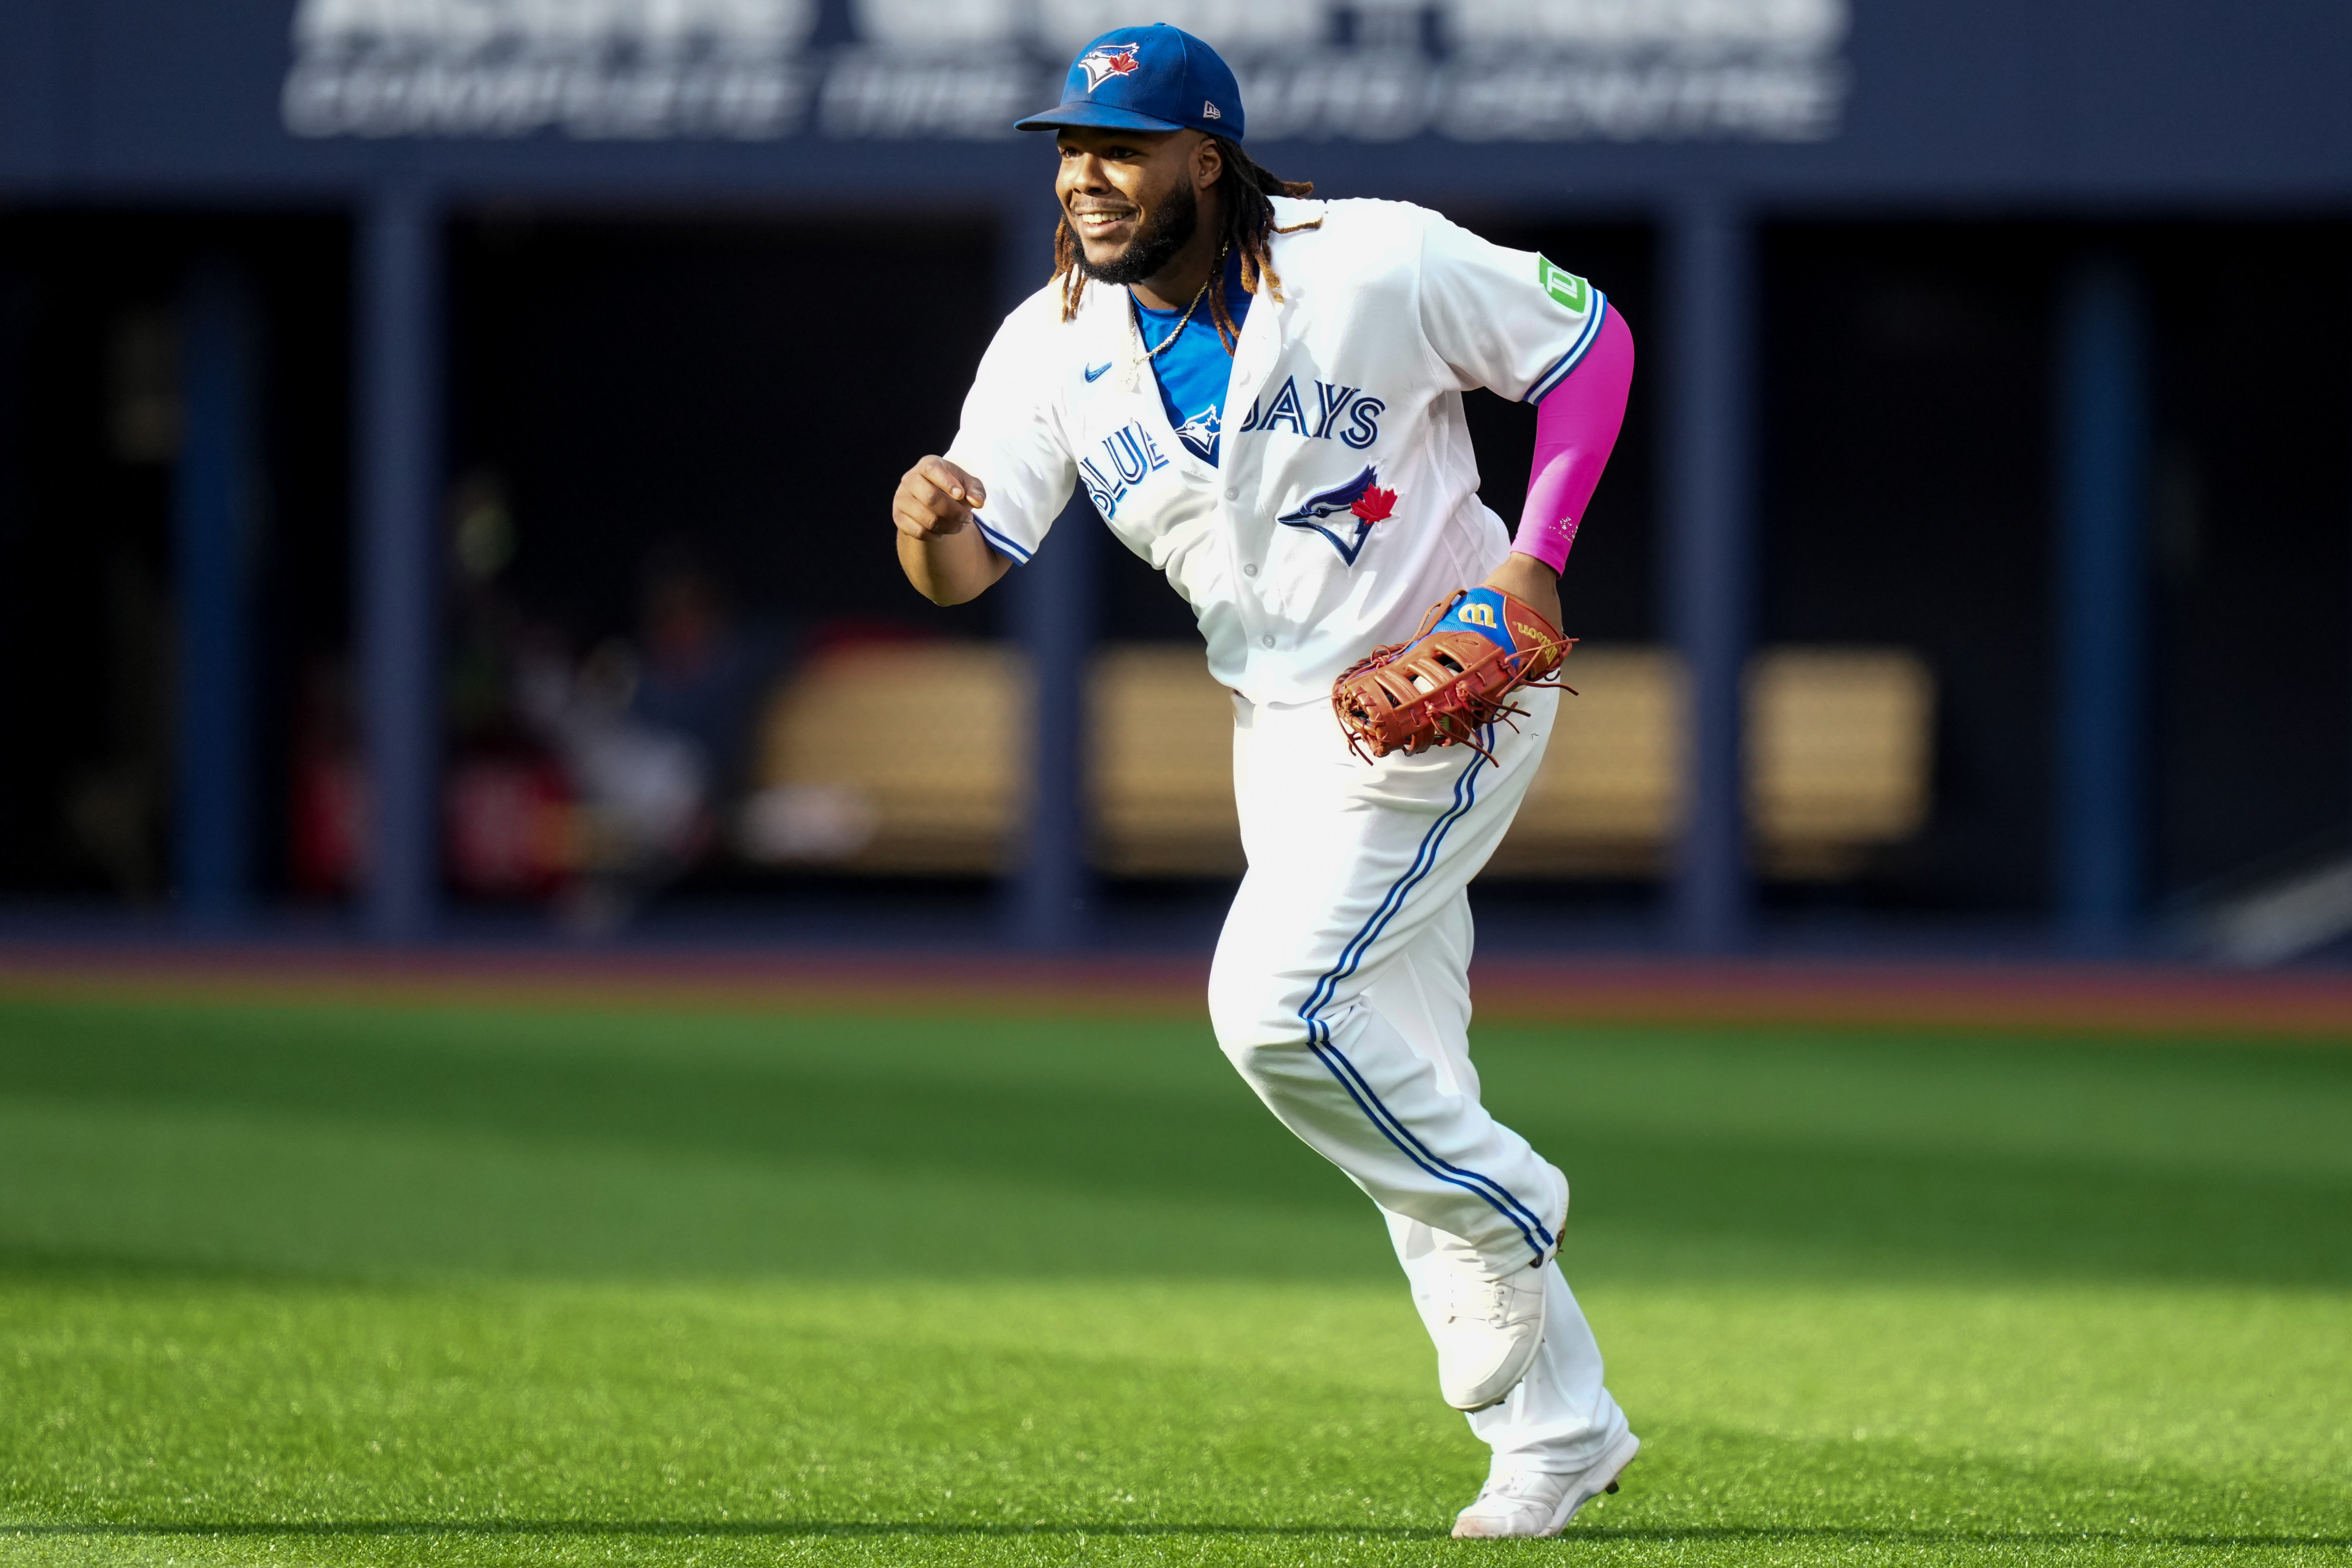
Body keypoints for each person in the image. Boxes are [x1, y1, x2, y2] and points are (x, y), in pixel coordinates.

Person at [888, 23, 1639, 1540]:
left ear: (1204, 160)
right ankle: (1558, 1428)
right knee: (1397, 1068)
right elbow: (968, 566)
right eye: (1071, 149)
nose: (1088, 176)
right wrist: (923, 518)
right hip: (1280, 729)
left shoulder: (1370, 261)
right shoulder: (1050, 345)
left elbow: (1590, 342)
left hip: (1446, 691)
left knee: (1278, 1010)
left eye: (1120, 147)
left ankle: (1509, 1211)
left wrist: (1533, 560)